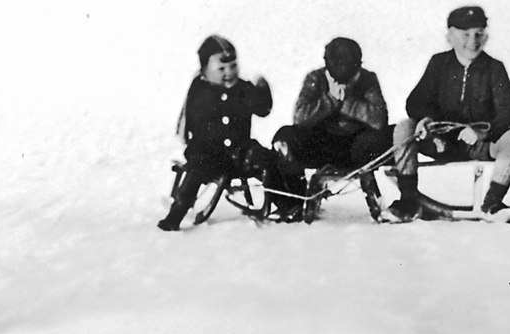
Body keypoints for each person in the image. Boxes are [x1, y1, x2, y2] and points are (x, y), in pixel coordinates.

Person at [387, 6, 510, 223]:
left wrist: (482, 132)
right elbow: (415, 101)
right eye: (465, 34)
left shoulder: (494, 68)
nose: (473, 40)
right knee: (404, 127)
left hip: (480, 146)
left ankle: (493, 203)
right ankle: (408, 201)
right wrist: (427, 121)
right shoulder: (438, 64)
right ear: (450, 36)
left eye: (479, 34)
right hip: (439, 142)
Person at [158, 35, 286, 231]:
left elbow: (262, 110)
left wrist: (262, 91)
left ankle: (288, 204)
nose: (229, 73)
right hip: (209, 152)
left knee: (266, 159)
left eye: (233, 66)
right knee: (195, 170)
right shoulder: (200, 90)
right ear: (204, 71)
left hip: (240, 150)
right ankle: (177, 213)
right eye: (222, 69)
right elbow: (190, 118)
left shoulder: (243, 88)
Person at [273, 37, 391, 195]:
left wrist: (347, 101)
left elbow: (380, 120)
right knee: (286, 136)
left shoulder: (367, 79)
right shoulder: (316, 78)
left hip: (357, 147)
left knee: (390, 134)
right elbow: (299, 118)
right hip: (321, 145)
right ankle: (295, 196)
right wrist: (331, 99)